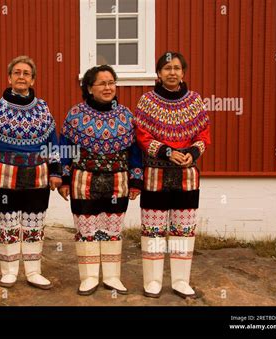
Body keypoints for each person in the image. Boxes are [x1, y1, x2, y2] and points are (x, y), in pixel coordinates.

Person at [0, 56, 62, 290]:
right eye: (17, 72)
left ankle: (34, 272)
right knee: (8, 224)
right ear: (9, 78)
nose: (21, 76)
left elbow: (52, 143)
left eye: (26, 73)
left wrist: (56, 172)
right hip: (4, 176)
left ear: (33, 79)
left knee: (34, 224)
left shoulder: (43, 108)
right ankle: (9, 271)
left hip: (38, 176)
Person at [59, 65, 143, 296]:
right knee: (87, 229)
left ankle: (112, 276)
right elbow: (64, 149)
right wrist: (64, 179)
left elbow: (135, 152)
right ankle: (88, 277)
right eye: (102, 83)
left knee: (112, 229)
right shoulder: (75, 115)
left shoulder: (126, 116)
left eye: (111, 83)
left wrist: (136, 181)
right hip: (83, 181)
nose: (108, 88)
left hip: (118, 181)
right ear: (89, 88)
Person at [134, 51, 211, 299]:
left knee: (183, 229)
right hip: (155, 175)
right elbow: (142, 135)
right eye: (167, 68)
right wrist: (167, 151)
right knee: (153, 229)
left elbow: (204, 133)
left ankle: (180, 280)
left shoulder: (195, 101)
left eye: (176, 68)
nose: (172, 72)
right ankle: (153, 281)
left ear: (183, 72)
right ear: (158, 73)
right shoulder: (147, 101)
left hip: (187, 177)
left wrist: (192, 152)